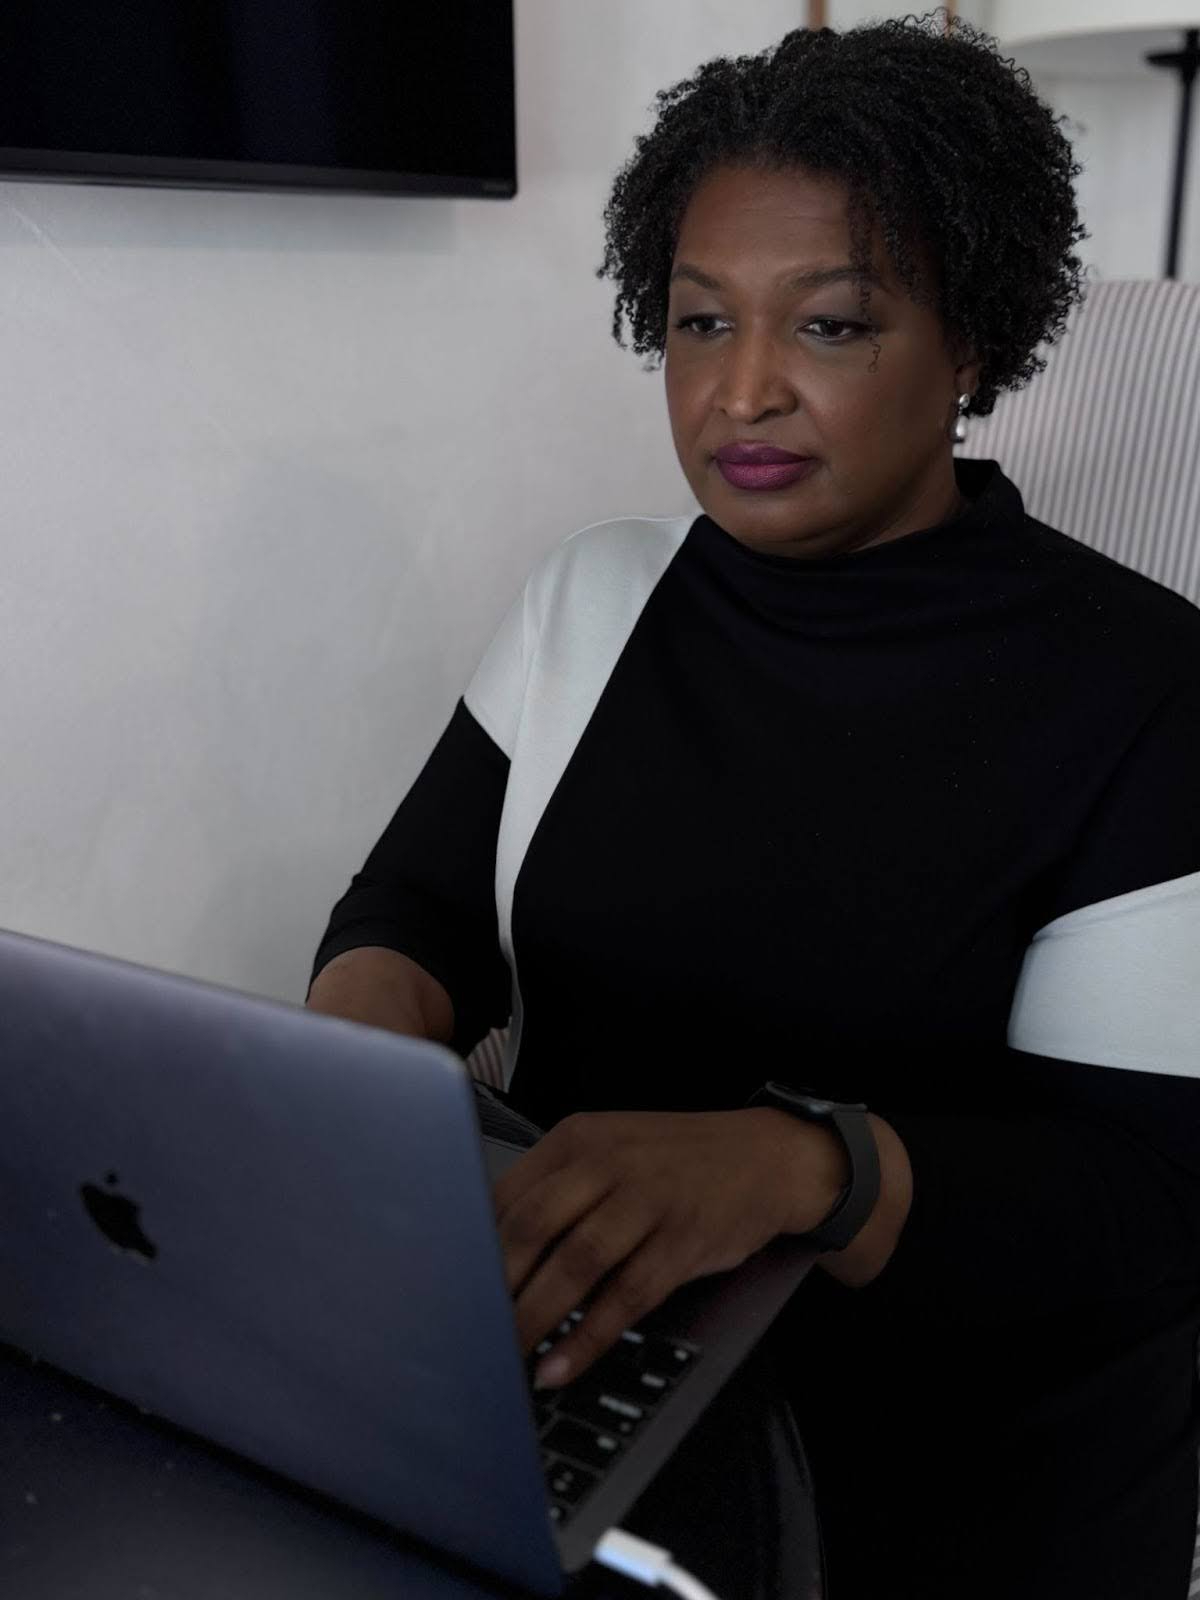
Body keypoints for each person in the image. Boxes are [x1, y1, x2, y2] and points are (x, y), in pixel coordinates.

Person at [307, 11, 1200, 1597]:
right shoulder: (595, 598)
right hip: (571, 1393)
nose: (744, 393)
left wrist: (808, 1167)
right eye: (700, 323)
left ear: (974, 340)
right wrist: (356, 1075)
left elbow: (1141, 1198)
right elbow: (419, 914)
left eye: (834, 327)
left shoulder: (1144, 689)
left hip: (943, 1485)